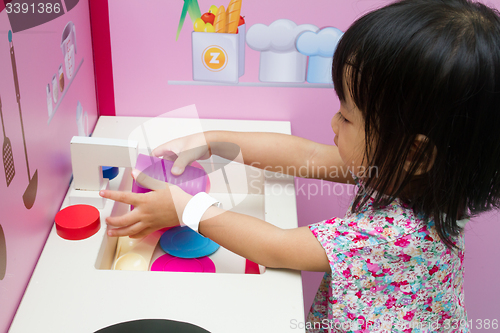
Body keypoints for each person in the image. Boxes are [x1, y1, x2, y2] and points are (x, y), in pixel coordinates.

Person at [100, 0, 500, 331]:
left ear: (414, 154)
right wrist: (214, 141)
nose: (332, 124)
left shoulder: (395, 238)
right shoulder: (414, 175)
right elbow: (305, 156)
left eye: (346, 117)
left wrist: (186, 208)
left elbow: (275, 248)